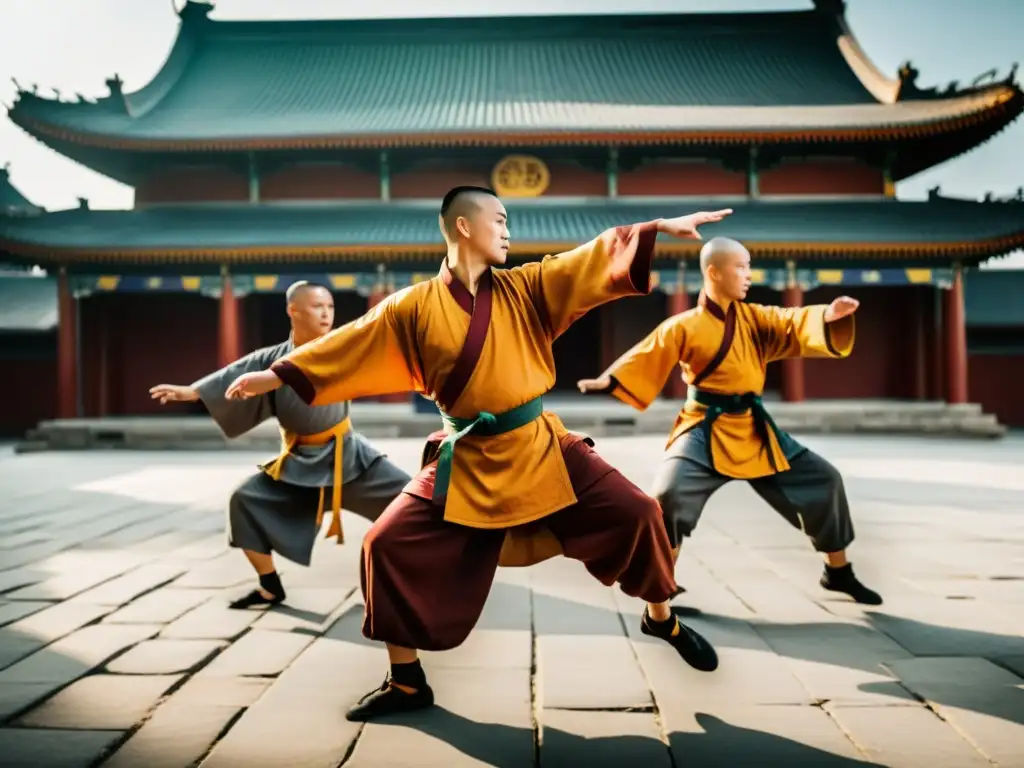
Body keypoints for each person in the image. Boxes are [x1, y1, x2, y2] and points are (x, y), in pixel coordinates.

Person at [224, 187, 732, 720]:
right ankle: (406, 683)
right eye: (501, 219)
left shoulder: (528, 287)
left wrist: (652, 229)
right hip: (464, 456)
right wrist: (276, 373)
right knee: (383, 545)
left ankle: (660, 616)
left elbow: (587, 260)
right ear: (463, 227)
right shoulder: (411, 306)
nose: (509, 229)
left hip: (540, 444)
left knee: (640, 512)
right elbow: (351, 342)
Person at [577, 236, 882, 608]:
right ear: (713, 271)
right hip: (705, 426)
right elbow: (652, 350)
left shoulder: (755, 319)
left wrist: (824, 316)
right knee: (669, 496)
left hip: (754, 427)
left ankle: (837, 571)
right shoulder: (686, 325)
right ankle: (661, 584)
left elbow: (790, 321)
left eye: (749, 267)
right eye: (741, 267)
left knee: (825, 479)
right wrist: (610, 380)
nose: (748, 275)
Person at [149, 281, 412, 610]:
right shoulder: (271, 359)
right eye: (318, 306)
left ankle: (434, 576)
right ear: (294, 310)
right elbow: (232, 374)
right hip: (298, 466)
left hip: (350, 460)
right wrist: (192, 391)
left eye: (330, 307)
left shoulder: (342, 345)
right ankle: (269, 587)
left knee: (414, 502)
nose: (327, 313)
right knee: (243, 501)